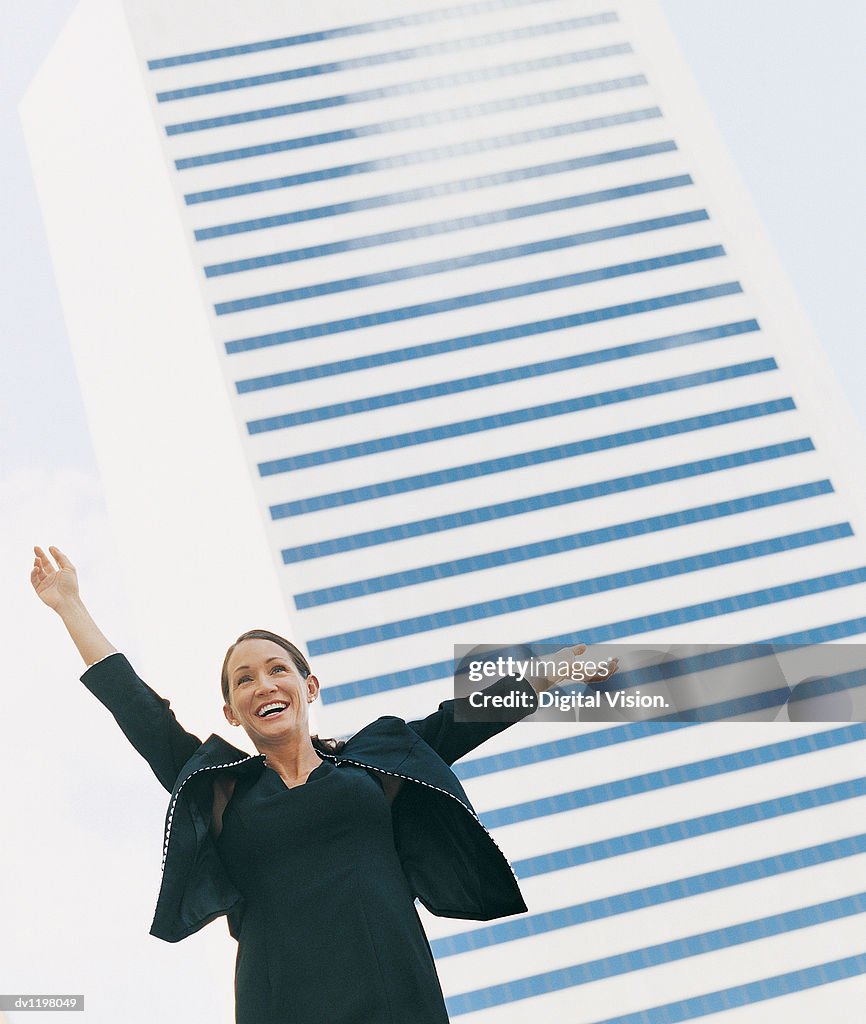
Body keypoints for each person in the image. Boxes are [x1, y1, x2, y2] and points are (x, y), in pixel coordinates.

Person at [31, 544, 616, 1024]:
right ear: (232, 712)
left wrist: (550, 674)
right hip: (282, 1001)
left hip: (396, 992)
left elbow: (461, 718)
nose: (263, 684)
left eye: (277, 669)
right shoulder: (222, 788)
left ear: (309, 689)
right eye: (244, 680)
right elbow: (139, 711)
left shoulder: (373, 767)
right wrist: (70, 606)